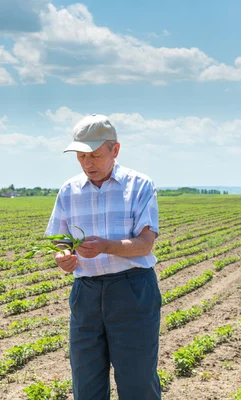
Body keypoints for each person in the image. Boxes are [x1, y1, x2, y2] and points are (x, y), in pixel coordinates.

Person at [45, 114, 161, 400]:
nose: (88, 163)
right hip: (86, 294)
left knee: (138, 384)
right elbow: (59, 240)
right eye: (81, 157)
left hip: (132, 290)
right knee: (86, 385)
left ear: (115, 150)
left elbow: (145, 244)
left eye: (95, 155)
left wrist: (106, 246)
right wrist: (62, 257)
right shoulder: (69, 191)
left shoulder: (140, 186)